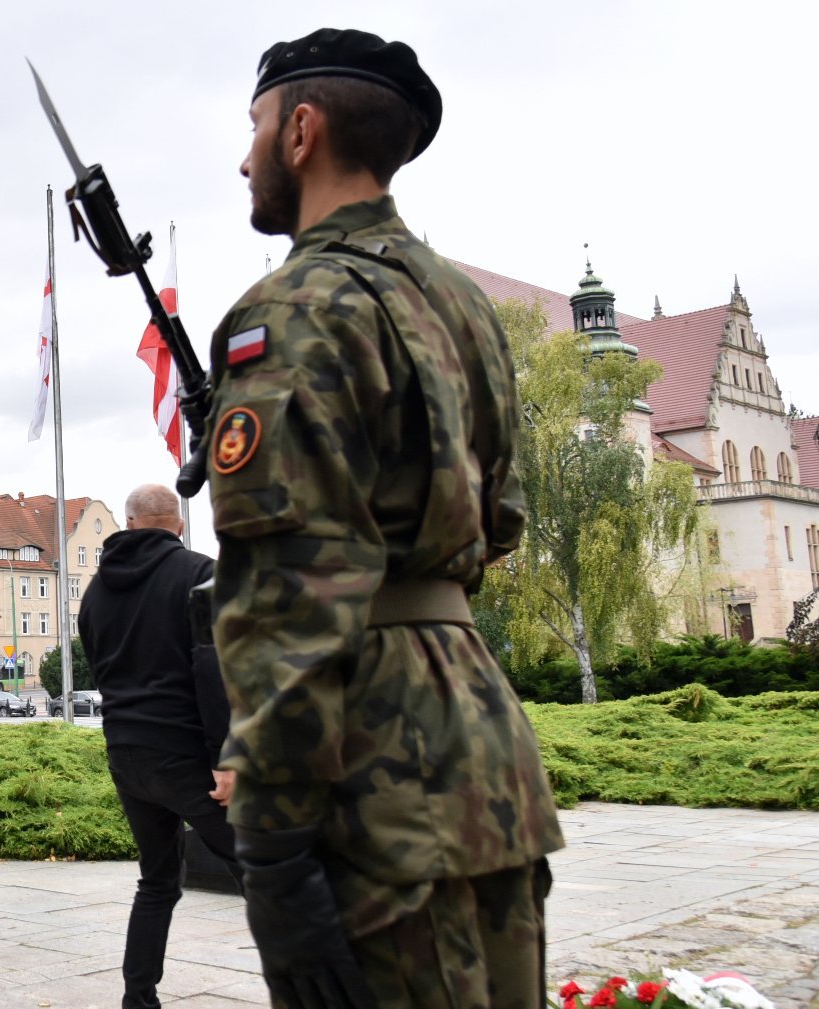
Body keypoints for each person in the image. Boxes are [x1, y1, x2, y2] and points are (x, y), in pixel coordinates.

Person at [202, 29, 563, 1009]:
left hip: (372, 776)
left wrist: (271, 845)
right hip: (484, 747)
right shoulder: (463, 305)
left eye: (257, 128)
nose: (245, 157)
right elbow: (499, 523)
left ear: (303, 131)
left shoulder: (290, 310)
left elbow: (292, 592)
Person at [78, 483, 239, 1009]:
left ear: (127, 525)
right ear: (180, 525)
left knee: (158, 879)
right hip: (189, 755)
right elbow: (212, 669)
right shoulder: (200, 574)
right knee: (268, 873)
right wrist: (227, 759)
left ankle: (138, 999)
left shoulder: (95, 592)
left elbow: (101, 669)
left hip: (126, 754)